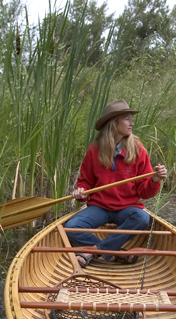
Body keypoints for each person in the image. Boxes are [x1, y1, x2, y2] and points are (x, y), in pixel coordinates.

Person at [65, 99, 167, 267]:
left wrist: (155, 180)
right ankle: (116, 253)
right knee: (71, 227)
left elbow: (144, 192)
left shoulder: (138, 150)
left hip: (127, 208)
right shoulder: (94, 150)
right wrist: (81, 192)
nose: (132, 123)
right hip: (99, 207)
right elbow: (85, 182)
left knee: (142, 218)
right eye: (127, 119)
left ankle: (94, 250)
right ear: (114, 122)